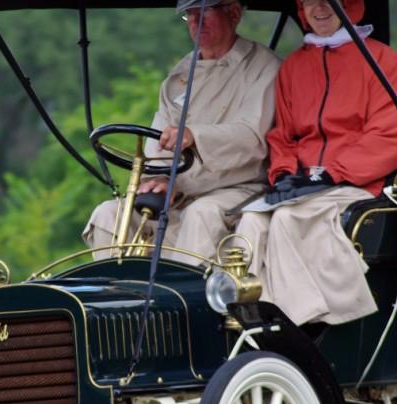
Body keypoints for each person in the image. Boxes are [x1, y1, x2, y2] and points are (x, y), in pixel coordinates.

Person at [235, 0, 397, 325]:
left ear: (350, 5)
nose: (319, 8)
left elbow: (390, 135)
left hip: (357, 183)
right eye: (309, 2)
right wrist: (286, 175)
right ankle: (245, 317)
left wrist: (332, 173)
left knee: (288, 220)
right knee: (250, 220)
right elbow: (282, 135)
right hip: (303, 186)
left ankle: (295, 324)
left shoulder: (382, 62)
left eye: (328, 1)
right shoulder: (294, 67)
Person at [82, 0, 280, 264]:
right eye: (190, 15)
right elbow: (159, 138)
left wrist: (194, 136)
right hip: (179, 194)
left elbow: (252, 137)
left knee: (201, 214)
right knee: (109, 213)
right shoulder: (179, 76)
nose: (196, 23)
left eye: (204, 13)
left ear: (233, 13)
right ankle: (115, 298)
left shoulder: (264, 67)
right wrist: (161, 177)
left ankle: (184, 303)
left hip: (237, 189)